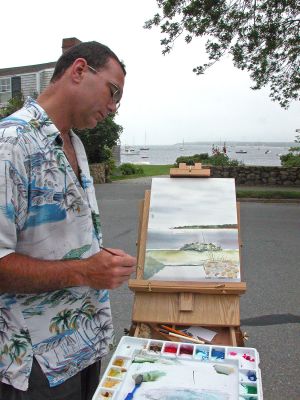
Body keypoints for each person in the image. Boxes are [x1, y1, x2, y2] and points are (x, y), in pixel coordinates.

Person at [0, 41, 136, 400]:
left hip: (83, 346)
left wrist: (98, 260)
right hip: (35, 364)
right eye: (113, 92)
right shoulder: (10, 144)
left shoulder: (72, 142)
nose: (113, 107)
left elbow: (60, 244)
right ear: (79, 71)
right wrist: (86, 271)